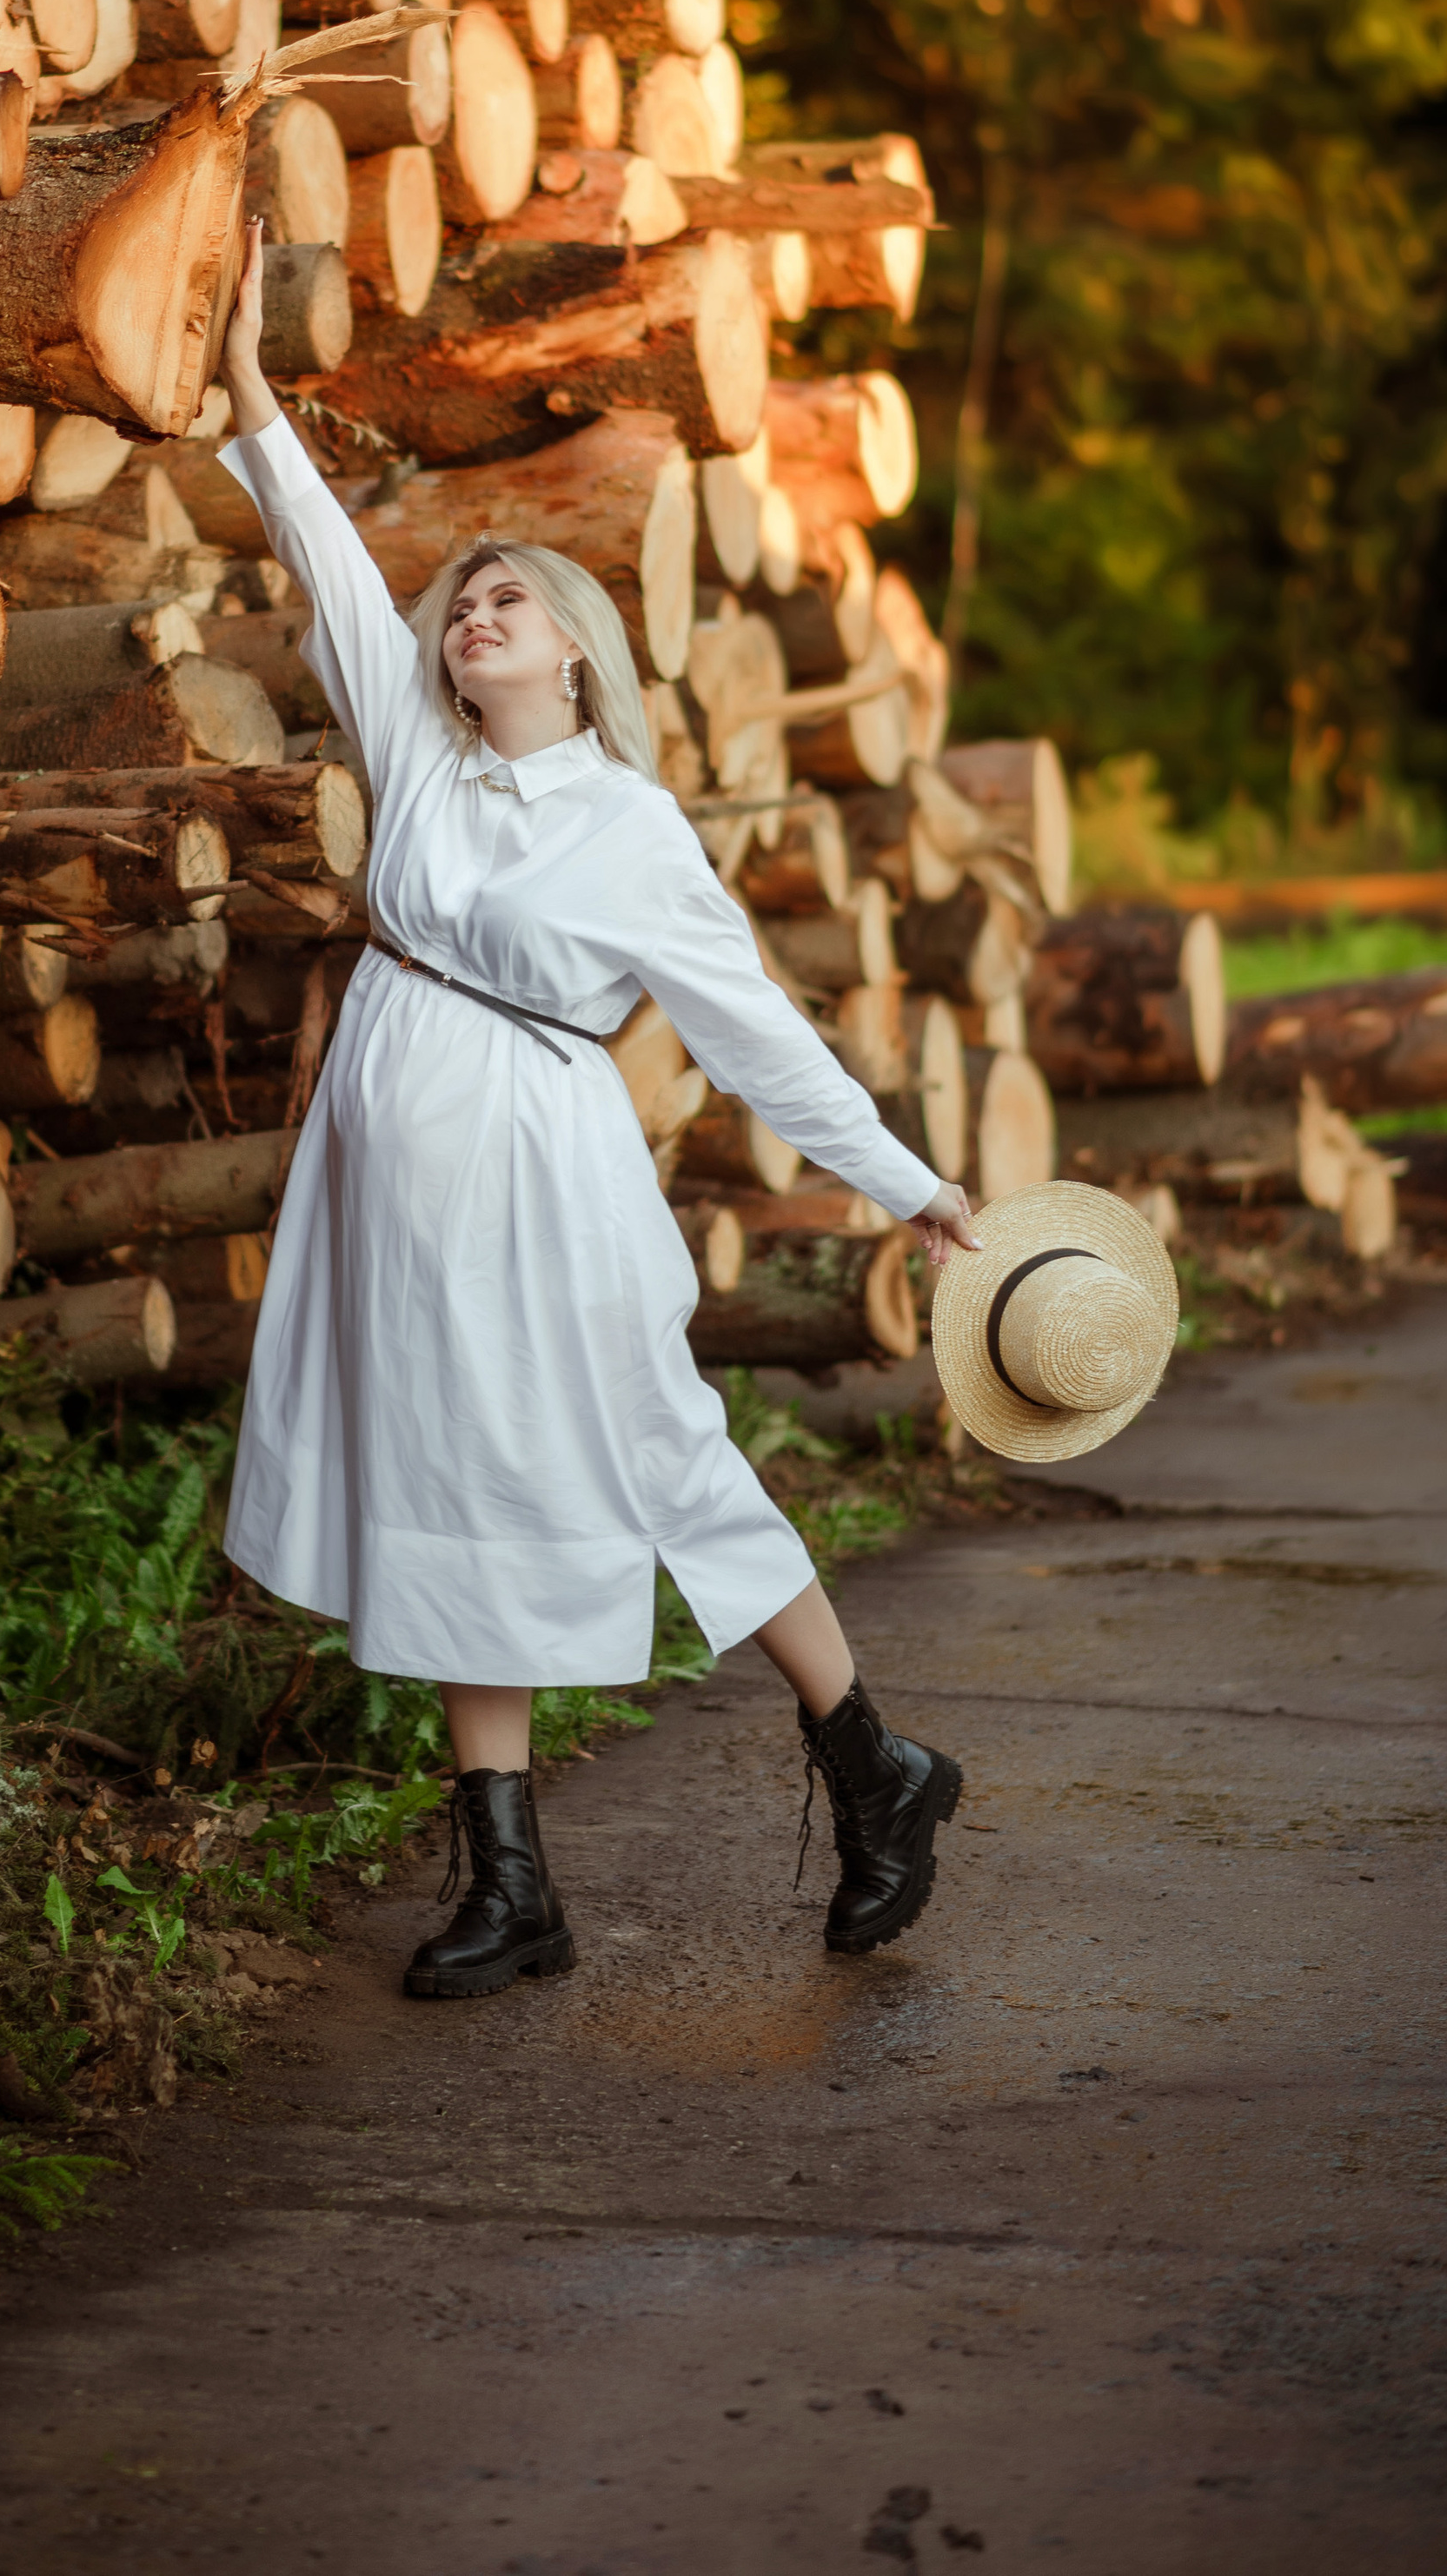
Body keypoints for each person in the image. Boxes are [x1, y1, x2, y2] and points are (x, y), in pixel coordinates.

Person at [213, 222, 983, 1999]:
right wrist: (251, 390)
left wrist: (901, 1184)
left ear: (574, 657)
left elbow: (754, 1036)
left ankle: (873, 1767)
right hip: (387, 1197)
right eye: (463, 600)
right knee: (441, 1488)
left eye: (515, 602)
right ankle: (507, 1885)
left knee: (657, 1454)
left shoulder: (626, 828)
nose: (477, 612)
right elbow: (327, 567)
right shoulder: (418, 766)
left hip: (543, 1189)